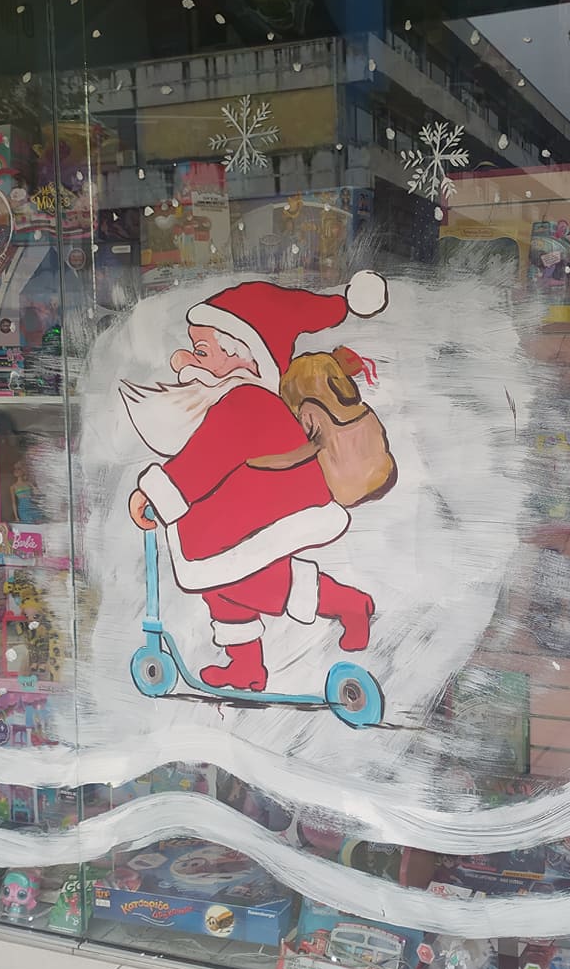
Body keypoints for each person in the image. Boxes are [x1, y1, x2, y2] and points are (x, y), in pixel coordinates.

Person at [122, 274, 387, 692]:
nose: (181, 361)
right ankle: (245, 665)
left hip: (266, 513)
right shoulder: (235, 400)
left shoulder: (247, 402)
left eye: (201, 352)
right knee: (218, 585)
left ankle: (349, 604)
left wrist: (153, 492)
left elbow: (202, 463)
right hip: (238, 514)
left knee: (249, 582)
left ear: (242, 357)